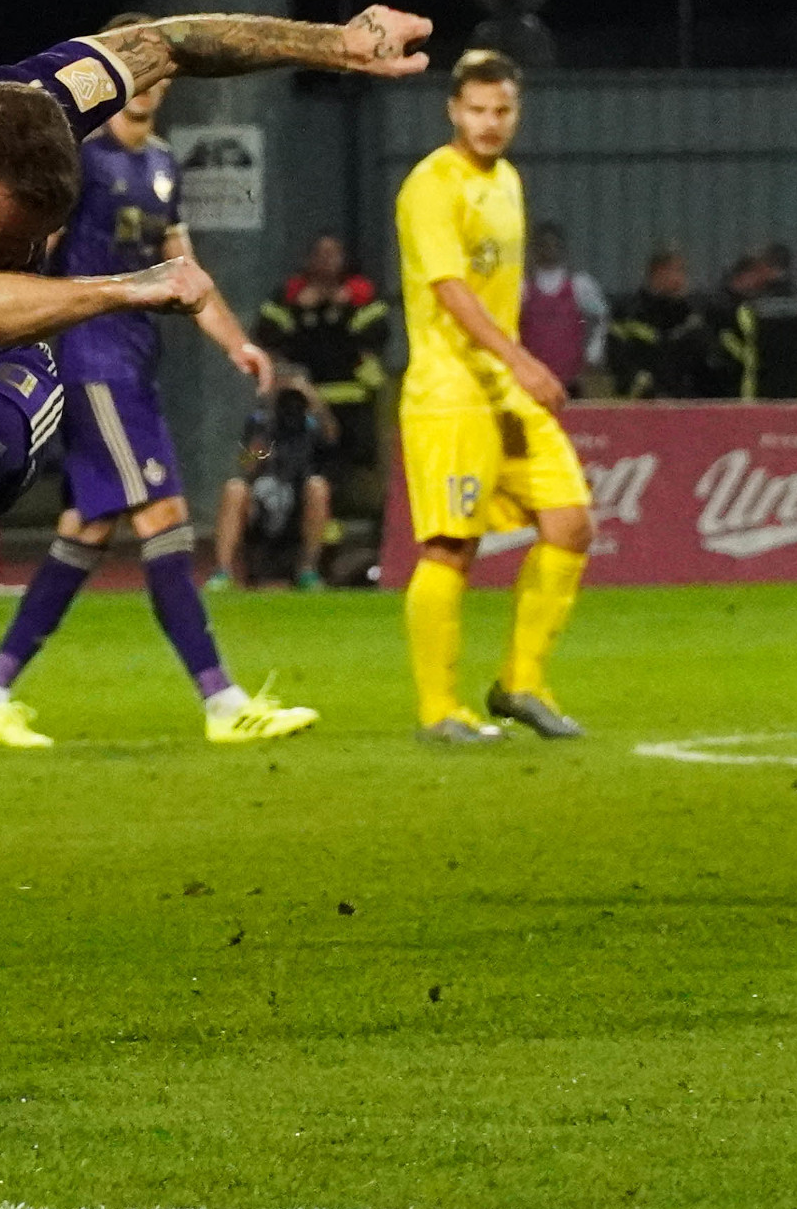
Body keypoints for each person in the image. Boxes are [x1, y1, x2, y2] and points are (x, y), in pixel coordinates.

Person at [0, 3, 431, 1055]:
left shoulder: (53, 92)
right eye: (2, 231)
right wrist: (125, 288)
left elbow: (175, 38)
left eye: (32, 234)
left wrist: (331, 45)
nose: (22, 245)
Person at [0, 26, 317, 750]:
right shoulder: (79, 162)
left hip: (133, 365)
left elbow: (184, 273)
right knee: (164, 517)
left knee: (86, 531)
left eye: (159, 76)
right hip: (93, 363)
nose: (149, 88)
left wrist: (236, 342)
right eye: (135, 74)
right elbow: (34, 256)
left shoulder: (161, 165)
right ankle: (222, 701)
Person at [396, 48, 596, 745]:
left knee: (569, 521)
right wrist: (523, 361)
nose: (489, 122)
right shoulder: (430, 184)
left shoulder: (506, 180)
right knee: (451, 546)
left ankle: (520, 683)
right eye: (477, 109)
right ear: (453, 110)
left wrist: (513, 370)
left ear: (517, 112)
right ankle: (438, 710)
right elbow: (450, 291)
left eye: (502, 110)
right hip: (449, 390)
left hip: (502, 389)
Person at [254, 231, 391, 482]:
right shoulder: (289, 297)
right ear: (308, 258)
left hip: (354, 403)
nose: (327, 260)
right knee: (297, 467)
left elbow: (373, 341)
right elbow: (268, 338)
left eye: (333, 253)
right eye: (320, 254)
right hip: (297, 403)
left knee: (352, 470)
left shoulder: (363, 298)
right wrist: (302, 311)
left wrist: (341, 312)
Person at [214, 362, 335, 589]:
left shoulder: (311, 424)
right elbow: (245, 465)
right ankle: (223, 571)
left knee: (318, 487)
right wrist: (258, 449)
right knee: (234, 488)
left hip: (298, 493)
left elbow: (331, 437)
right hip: (262, 491)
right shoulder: (260, 421)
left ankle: (308, 570)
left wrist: (313, 400)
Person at [706, 243, 797, 401]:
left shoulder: (749, 308)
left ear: (765, 268)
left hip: (759, 394)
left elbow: (731, 341)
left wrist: (752, 359)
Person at [605, 248, 712, 399]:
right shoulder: (627, 312)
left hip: (684, 402)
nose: (682, 278)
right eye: (677, 271)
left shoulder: (691, 314)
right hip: (638, 401)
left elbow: (702, 361)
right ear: (658, 272)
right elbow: (617, 359)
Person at [520, 222, 607, 396]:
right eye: (544, 245)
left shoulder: (580, 284)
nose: (549, 249)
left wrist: (593, 354)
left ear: (563, 248)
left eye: (554, 244)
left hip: (571, 377)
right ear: (535, 249)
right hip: (532, 377)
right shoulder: (522, 287)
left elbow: (600, 319)